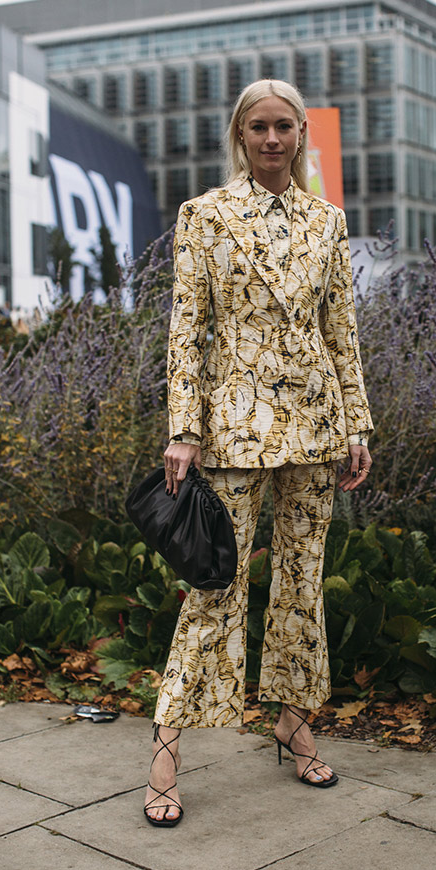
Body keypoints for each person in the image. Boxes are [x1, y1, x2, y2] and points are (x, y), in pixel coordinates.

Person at [144, 79, 373, 826]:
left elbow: (340, 331)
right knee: (213, 585)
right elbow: (187, 328)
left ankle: (292, 720)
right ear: (239, 136)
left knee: (302, 584)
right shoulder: (204, 216)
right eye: (258, 128)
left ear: (301, 134)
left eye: (283, 127)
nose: (272, 139)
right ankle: (166, 748)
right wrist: (184, 428)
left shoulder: (326, 221)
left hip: (314, 425)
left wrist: (356, 425)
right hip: (234, 428)